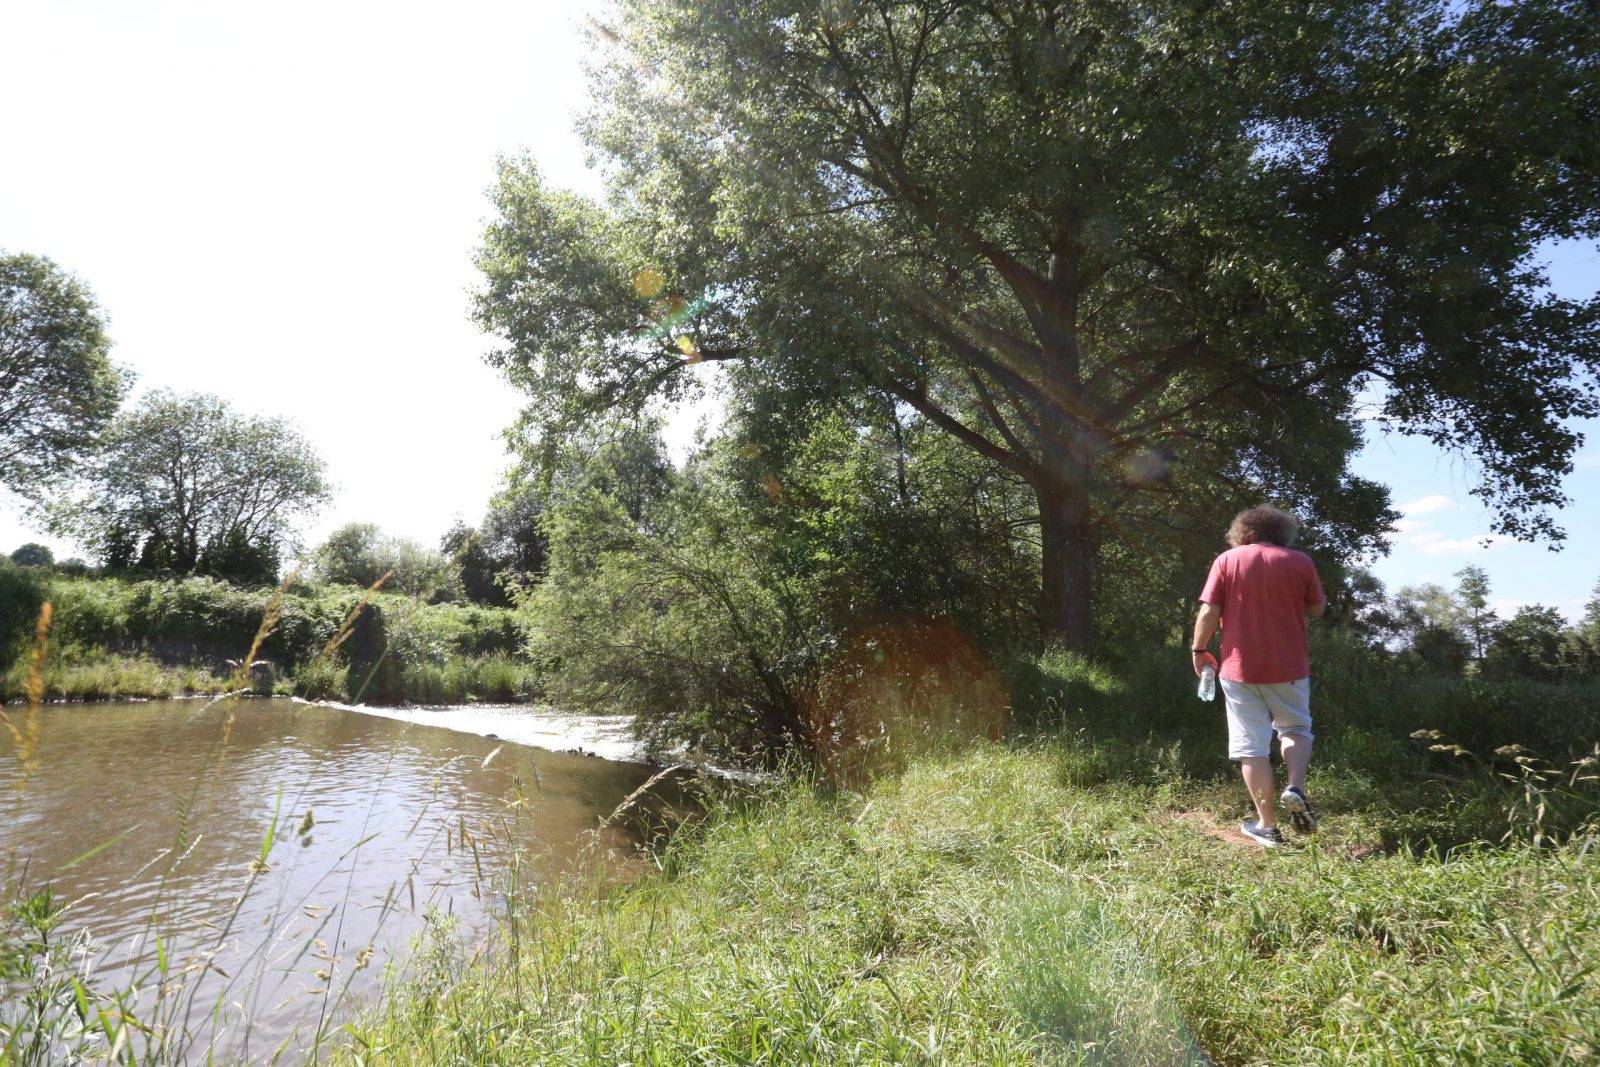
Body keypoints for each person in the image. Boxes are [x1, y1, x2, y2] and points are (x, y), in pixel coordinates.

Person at [1191, 504, 1325, 848]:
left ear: (1243, 532)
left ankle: (1267, 826)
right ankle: (1294, 785)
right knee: (1295, 729)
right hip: (1289, 668)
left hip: (1239, 669)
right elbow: (1317, 608)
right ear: (1283, 533)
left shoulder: (1227, 560)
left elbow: (1209, 610)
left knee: (1251, 747)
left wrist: (1199, 650)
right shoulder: (1300, 562)